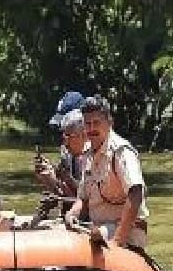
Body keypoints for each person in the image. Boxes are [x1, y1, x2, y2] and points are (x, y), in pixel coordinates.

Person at [64, 95, 149, 249]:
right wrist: (72, 214)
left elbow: (136, 193)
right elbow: (83, 199)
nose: (91, 129)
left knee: (97, 236)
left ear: (109, 122)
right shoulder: (88, 154)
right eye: (87, 124)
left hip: (125, 231)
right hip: (97, 227)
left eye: (96, 123)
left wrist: (117, 241)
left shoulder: (121, 152)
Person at [35, 90, 86, 197]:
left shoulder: (96, 153)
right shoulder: (66, 149)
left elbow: (86, 199)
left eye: (68, 127)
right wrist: (49, 180)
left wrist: (56, 180)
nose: (64, 137)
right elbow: (66, 194)